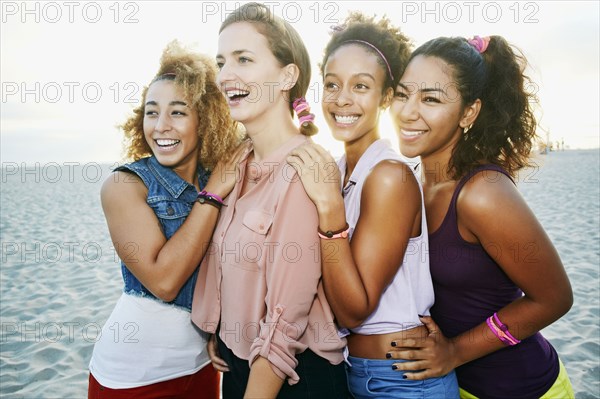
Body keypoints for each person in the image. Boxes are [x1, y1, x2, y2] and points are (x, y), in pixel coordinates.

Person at [387, 35, 574, 399]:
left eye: (430, 99)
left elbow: (554, 298)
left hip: (523, 389)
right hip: (452, 386)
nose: (407, 111)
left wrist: (455, 352)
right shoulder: (410, 184)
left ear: (469, 113)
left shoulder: (482, 193)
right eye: (401, 93)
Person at [286, 13, 459, 399]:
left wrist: (330, 209)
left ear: (385, 97)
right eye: (332, 84)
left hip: (404, 381)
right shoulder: (337, 170)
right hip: (356, 373)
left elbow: (354, 311)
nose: (342, 99)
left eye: (360, 86)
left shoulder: (389, 176)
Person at [190, 3, 348, 398]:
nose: (226, 75)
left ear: (287, 76)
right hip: (239, 362)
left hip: (292, 378)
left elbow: (286, 320)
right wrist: (224, 327)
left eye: (244, 59)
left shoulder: (303, 170)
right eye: (222, 61)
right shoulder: (235, 162)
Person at [87, 40, 245, 399]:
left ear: (205, 119)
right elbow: (164, 281)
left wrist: (216, 330)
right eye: (151, 111)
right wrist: (213, 195)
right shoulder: (125, 185)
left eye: (177, 112)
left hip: (203, 366)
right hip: (133, 377)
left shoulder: (218, 176)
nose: (160, 126)